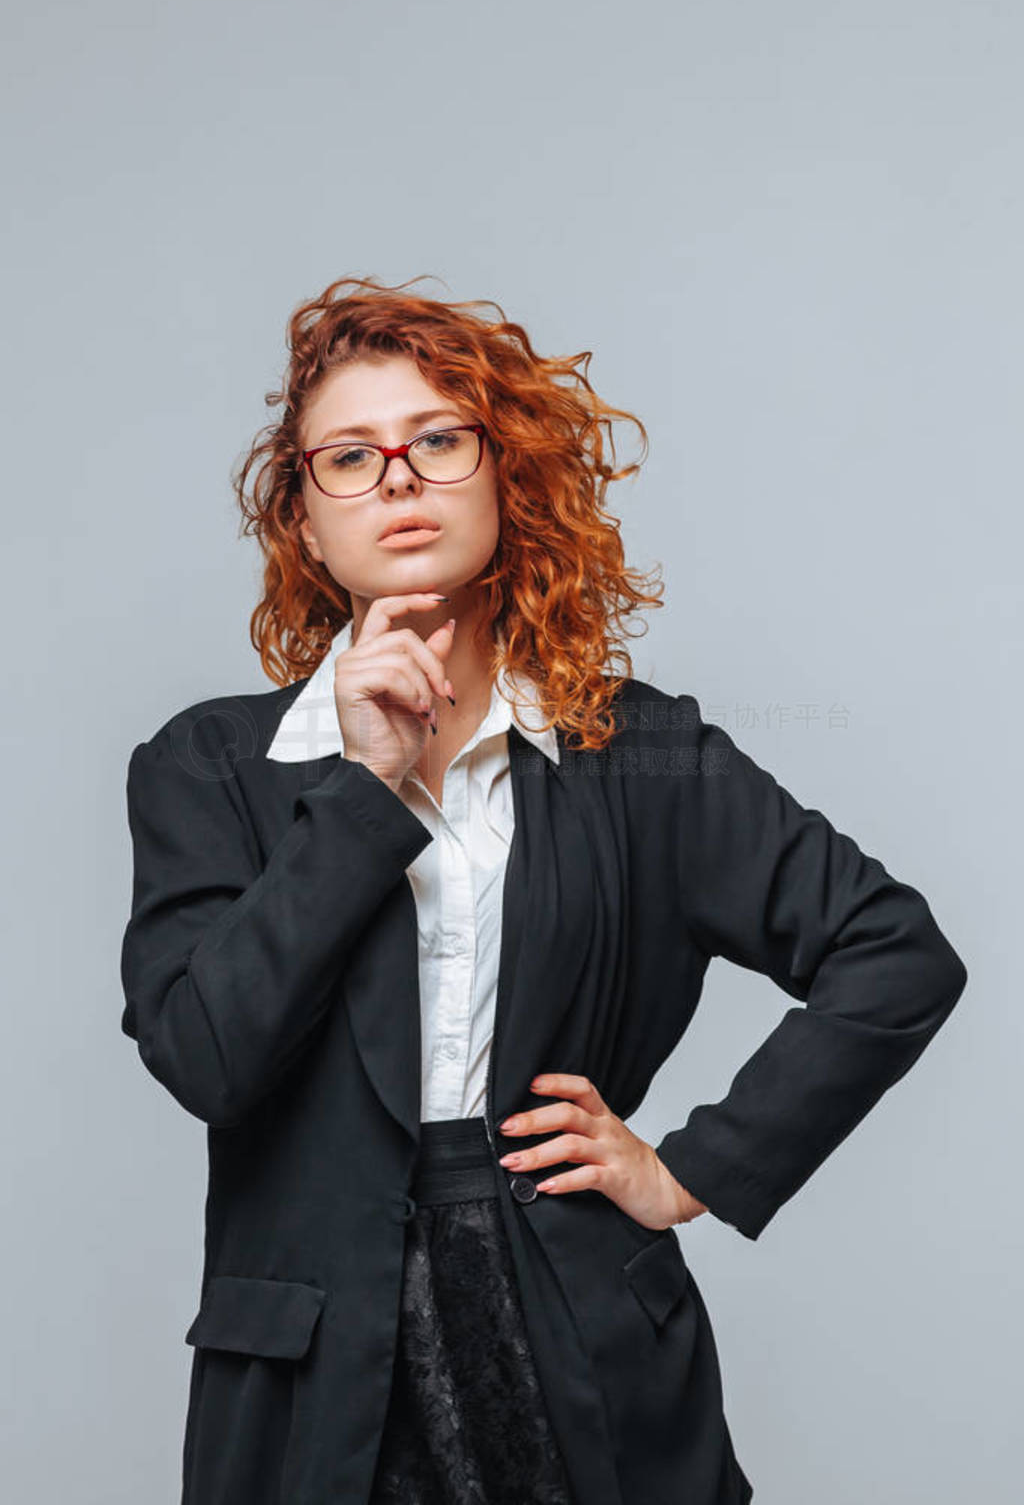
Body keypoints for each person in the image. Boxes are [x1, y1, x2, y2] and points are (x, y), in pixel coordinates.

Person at [119, 274, 968, 1505]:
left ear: (503, 479)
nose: (397, 477)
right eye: (349, 457)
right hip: (310, 1375)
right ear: (304, 523)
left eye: (438, 440)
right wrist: (363, 789)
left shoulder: (641, 753)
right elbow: (206, 1057)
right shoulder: (210, 765)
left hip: (581, 1334)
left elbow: (893, 952)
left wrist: (690, 1170)